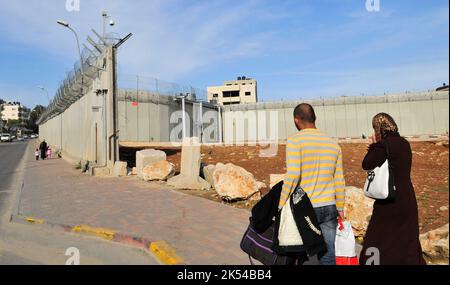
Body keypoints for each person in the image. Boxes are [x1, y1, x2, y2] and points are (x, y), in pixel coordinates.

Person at [280, 103, 346, 265]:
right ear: (314, 119)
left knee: (300, 255)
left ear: (296, 120)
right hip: (329, 206)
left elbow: (294, 174)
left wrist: (280, 203)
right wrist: (341, 207)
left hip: (305, 208)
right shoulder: (333, 145)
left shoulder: (295, 141)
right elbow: (339, 179)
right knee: (329, 254)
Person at [360, 113, 425, 265]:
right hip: (407, 197)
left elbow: (367, 163)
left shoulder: (384, 145)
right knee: (406, 238)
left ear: (379, 129)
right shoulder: (404, 143)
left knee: (377, 238)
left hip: (389, 199)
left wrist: (373, 145)